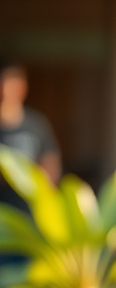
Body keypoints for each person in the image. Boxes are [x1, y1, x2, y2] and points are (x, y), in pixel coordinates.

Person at [0, 62, 61, 204]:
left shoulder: (36, 124)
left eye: (11, 84)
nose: (5, 91)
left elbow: (51, 167)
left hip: (29, 210)